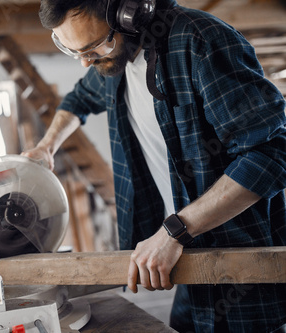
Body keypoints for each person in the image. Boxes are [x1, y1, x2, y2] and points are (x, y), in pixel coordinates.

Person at [22, 0, 286, 332]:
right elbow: (79, 99)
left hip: (240, 266)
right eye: (71, 50)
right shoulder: (111, 61)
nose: (85, 62)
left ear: (130, 13)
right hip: (187, 257)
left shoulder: (201, 41)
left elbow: (272, 153)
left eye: (94, 46)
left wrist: (175, 230)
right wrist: (46, 146)